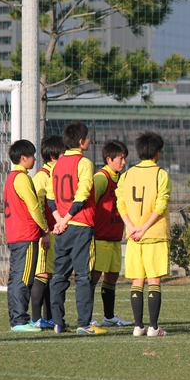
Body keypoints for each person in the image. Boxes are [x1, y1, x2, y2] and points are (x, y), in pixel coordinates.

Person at [47, 121, 107, 335]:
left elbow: (50, 196)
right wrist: (67, 219)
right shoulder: (84, 163)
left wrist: (59, 220)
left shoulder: (57, 163)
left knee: (59, 276)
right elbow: (82, 195)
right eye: (88, 138)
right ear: (81, 142)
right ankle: (84, 324)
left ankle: (57, 323)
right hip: (80, 225)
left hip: (62, 228)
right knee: (83, 276)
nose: (89, 141)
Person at [116, 131, 171, 337]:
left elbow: (120, 202)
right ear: (157, 152)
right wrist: (145, 227)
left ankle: (138, 326)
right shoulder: (161, 174)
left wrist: (131, 226)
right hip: (154, 234)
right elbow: (161, 203)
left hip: (133, 235)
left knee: (137, 281)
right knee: (154, 281)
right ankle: (154, 328)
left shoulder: (127, 174)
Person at [3, 139, 50, 332]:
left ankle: (17, 318)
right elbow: (34, 207)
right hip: (26, 235)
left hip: (15, 234)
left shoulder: (10, 177)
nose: (34, 160)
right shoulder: (22, 178)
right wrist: (44, 229)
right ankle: (20, 320)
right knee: (23, 279)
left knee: (16, 278)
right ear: (24, 158)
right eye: (32, 156)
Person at [90, 140, 133, 327]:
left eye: (125, 158)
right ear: (109, 159)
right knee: (94, 277)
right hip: (100, 237)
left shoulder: (122, 178)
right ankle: (87, 317)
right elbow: (89, 204)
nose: (124, 162)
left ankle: (109, 317)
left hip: (115, 237)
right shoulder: (101, 178)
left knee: (112, 276)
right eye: (120, 158)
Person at [30, 135, 65, 330]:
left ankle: (49, 317)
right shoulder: (42, 176)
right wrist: (42, 231)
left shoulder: (58, 174)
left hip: (56, 232)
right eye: (62, 153)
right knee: (42, 275)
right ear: (53, 156)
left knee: (50, 276)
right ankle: (36, 319)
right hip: (46, 234)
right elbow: (35, 207)